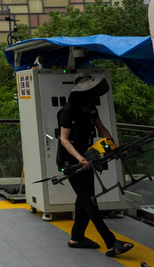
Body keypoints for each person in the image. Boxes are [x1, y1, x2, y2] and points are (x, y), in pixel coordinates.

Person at [57, 73, 134, 257]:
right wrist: (78, 159)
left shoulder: (90, 109)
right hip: (70, 162)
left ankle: (76, 238)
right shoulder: (68, 110)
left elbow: (102, 131)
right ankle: (111, 242)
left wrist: (113, 148)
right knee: (89, 201)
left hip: (87, 158)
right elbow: (64, 139)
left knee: (84, 199)